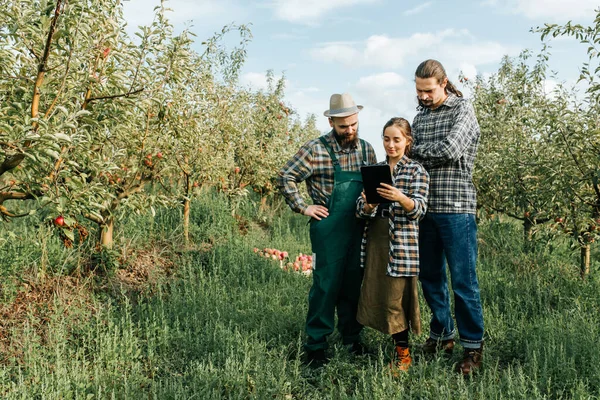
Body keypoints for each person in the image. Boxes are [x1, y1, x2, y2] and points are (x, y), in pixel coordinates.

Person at [277, 93, 377, 367]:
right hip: (328, 230)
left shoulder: (367, 149)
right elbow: (286, 175)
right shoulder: (315, 149)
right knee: (325, 286)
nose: (351, 130)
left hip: (358, 227)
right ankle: (316, 346)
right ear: (331, 121)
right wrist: (303, 207)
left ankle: (352, 339)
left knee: (352, 284)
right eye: (344, 126)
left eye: (354, 124)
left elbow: (373, 188)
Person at [410, 59, 485, 375]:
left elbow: (451, 150)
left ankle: (472, 347)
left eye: (428, 90)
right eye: (419, 91)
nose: (423, 96)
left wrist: (416, 151)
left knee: (463, 281)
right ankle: (442, 334)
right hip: (424, 208)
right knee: (430, 277)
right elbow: (411, 151)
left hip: (456, 208)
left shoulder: (462, 110)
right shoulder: (421, 116)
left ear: (443, 84)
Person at [355, 117, 429, 372]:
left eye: (396, 139)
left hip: (401, 241)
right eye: (386, 139)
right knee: (376, 292)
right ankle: (362, 344)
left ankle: (404, 356)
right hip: (377, 238)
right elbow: (360, 210)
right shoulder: (374, 169)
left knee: (397, 297)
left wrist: (400, 197)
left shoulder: (416, 170)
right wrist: (369, 204)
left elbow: (419, 210)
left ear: (407, 141)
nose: (391, 145)